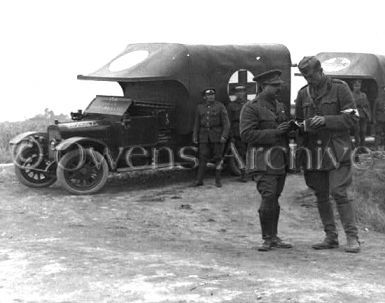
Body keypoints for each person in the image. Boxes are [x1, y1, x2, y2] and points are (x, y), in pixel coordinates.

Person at [295, 56, 360, 253]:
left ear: (321, 71)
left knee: (339, 191)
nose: (309, 80)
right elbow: (298, 123)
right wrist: (300, 137)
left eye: (311, 76)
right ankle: (330, 236)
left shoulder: (340, 88)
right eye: (305, 77)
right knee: (321, 194)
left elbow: (352, 119)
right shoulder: (303, 94)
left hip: (336, 150)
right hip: (314, 152)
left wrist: (325, 120)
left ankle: (352, 237)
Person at [240, 69, 292, 251]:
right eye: (274, 86)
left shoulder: (280, 106)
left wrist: (291, 129)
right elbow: (246, 134)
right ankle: (267, 238)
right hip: (262, 160)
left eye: (279, 85)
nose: (278, 89)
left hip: (279, 159)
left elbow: (284, 131)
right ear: (263, 86)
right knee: (268, 196)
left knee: (275, 198)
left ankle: (274, 236)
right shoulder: (251, 107)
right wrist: (276, 132)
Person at [192, 88, 230, 187]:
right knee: (202, 158)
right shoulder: (200, 107)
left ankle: (218, 180)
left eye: (212, 95)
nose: (211, 96)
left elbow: (226, 123)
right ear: (204, 97)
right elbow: (197, 123)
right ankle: (199, 180)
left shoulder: (220, 106)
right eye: (208, 95)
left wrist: (224, 136)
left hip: (217, 136)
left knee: (218, 158)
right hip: (204, 136)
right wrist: (195, 136)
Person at [227, 85, 248, 182]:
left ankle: (252, 174)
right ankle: (243, 175)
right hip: (237, 133)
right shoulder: (231, 106)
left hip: (249, 131)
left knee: (251, 153)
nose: (240, 94)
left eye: (242, 91)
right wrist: (231, 136)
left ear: (245, 93)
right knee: (240, 155)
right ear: (235, 94)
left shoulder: (249, 104)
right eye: (238, 92)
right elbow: (229, 122)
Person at [352, 80, 371, 147]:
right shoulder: (350, 95)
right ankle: (357, 146)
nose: (357, 87)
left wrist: (369, 116)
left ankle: (363, 146)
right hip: (355, 115)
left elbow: (367, 105)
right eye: (356, 86)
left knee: (363, 131)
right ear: (353, 87)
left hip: (363, 115)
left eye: (359, 86)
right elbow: (350, 106)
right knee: (357, 131)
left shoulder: (363, 95)